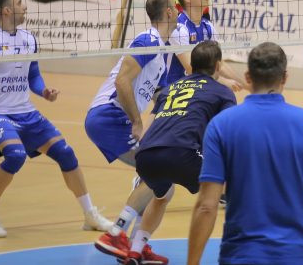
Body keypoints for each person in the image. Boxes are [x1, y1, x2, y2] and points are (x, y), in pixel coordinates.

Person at [0, 0, 112, 238]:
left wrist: (44, 91)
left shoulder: (29, 38)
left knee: (65, 152)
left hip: (27, 112)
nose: (25, 6)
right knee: (15, 155)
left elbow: (33, 76)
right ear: (7, 10)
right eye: (19, 2)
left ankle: (90, 214)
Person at [187, 42, 303, 265]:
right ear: (285, 77)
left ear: (248, 77)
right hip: (300, 255)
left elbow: (207, 205)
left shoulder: (222, 125)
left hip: (242, 254)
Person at [98, 42, 237, 265]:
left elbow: (154, 121)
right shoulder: (222, 92)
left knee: (161, 194)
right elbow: (229, 131)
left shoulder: (172, 87)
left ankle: (132, 246)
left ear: (192, 65)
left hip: (147, 154)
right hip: (184, 153)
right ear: (218, 66)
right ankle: (248, 246)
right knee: (228, 191)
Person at [88, 0, 177, 265]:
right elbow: (122, 83)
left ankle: (137, 248)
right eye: (175, 8)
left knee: (165, 187)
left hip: (115, 118)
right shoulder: (148, 40)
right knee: (157, 171)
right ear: (170, 13)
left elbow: (154, 94)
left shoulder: (159, 53)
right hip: (109, 115)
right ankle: (115, 234)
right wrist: (137, 122)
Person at [164, 0, 245, 90]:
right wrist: (223, 81)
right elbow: (191, 69)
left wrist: (248, 85)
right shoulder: (178, 28)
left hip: (195, 85)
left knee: (224, 96)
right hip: (172, 88)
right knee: (222, 91)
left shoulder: (208, 26)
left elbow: (219, 63)